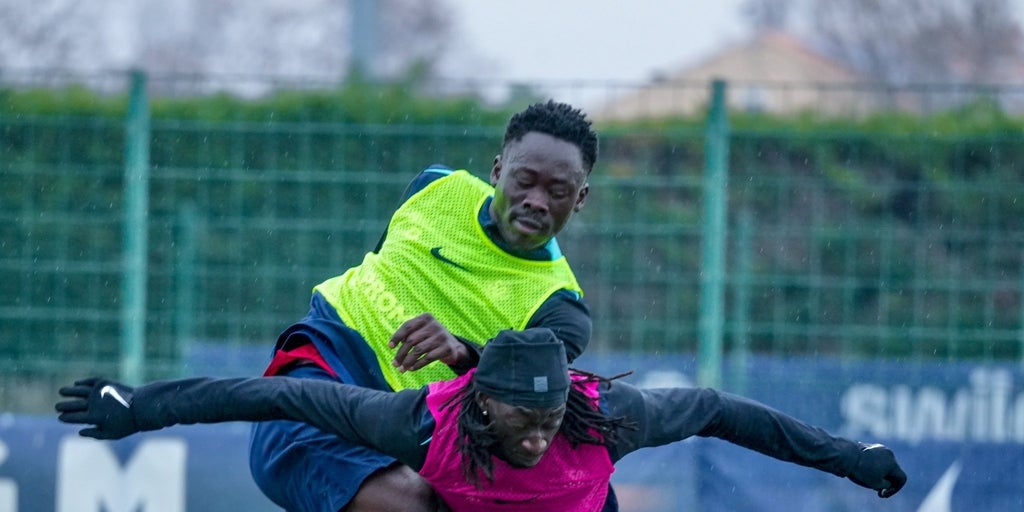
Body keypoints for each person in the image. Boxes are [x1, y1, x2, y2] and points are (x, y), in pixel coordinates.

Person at [57, 328, 907, 512]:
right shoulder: (418, 423)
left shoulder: (610, 420)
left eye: (549, 417)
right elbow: (274, 394)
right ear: (479, 401)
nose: (538, 435)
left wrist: (851, 456)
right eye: (520, 420)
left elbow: (721, 411)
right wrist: (141, 407)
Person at [249, 100, 599, 511]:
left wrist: (461, 352)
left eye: (558, 192)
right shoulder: (435, 186)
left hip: (412, 431)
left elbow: (520, 404)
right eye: (524, 181)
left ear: (579, 199)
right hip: (326, 365)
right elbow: (380, 264)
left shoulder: (560, 309)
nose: (537, 201)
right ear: (498, 170)